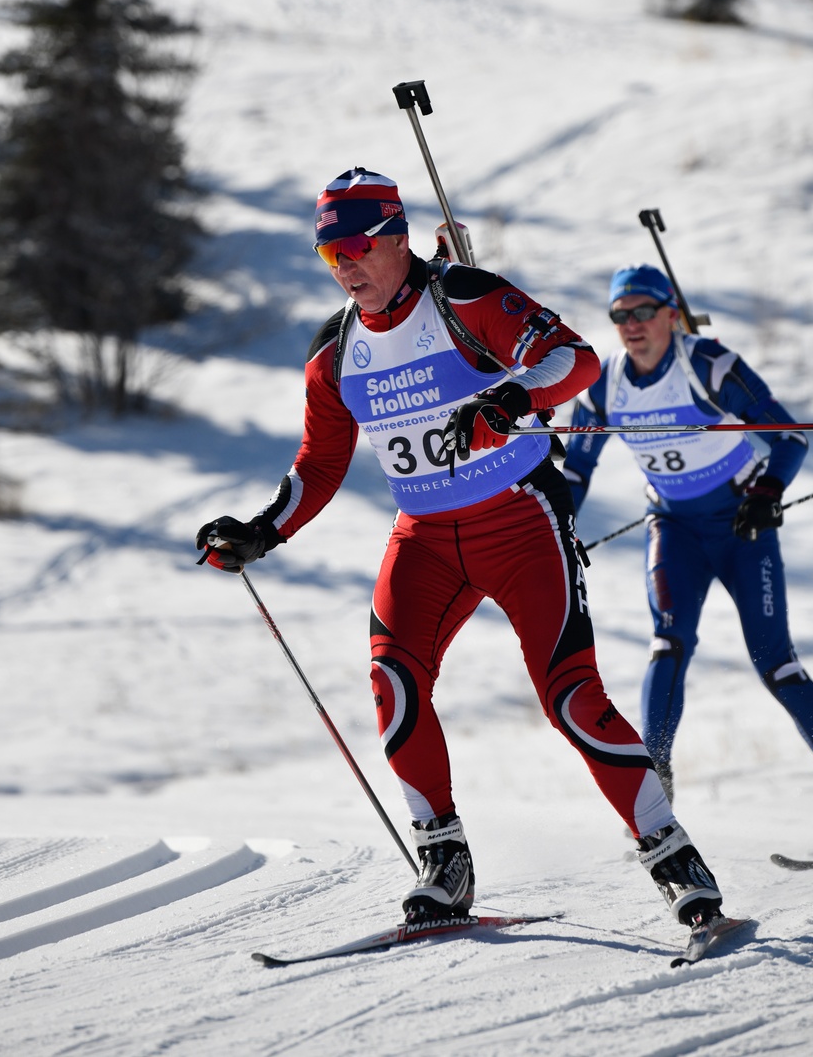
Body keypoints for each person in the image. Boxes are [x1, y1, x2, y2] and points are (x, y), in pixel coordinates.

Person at [197, 170, 725, 931]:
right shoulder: (335, 353)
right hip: (426, 538)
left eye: (356, 245)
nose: (344, 264)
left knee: (571, 697)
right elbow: (318, 463)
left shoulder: (464, 297)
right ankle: (444, 860)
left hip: (519, 519)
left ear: (396, 235)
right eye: (327, 252)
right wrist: (262, 529)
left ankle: (671, 855)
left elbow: (573, 360)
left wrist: (509, 397)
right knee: (393, 683)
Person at [564, 262, 813, 801]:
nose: (632, 324)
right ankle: (654, 789)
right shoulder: (606, 385)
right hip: (674, 529)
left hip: (740, 525)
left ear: (670, 314)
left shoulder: (707, 365)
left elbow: (791, 439)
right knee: (668, 644)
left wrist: (765, 493)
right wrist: (558, 528)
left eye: (643, 312)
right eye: (620, 315)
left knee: (775, 663)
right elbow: (575, 470)